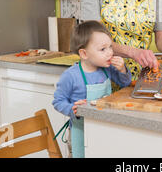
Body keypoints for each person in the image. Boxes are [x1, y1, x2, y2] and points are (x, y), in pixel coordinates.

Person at [52, 20, 132, 158]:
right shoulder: (71, 75)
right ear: (84, 54)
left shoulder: (108, 69)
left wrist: (122, 69)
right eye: (103, 49)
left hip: (104, 126)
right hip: (80, 130)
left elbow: (125, 83)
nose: (110, 53)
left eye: (110, 47)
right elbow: (58, 102)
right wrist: (72, 109)